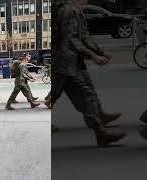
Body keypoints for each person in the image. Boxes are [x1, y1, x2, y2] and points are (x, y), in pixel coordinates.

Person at [52, 0, 126, 147]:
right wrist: (93, 56)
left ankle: (101, 129)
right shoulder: (69, 10)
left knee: (86, 95)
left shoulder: (72, 9)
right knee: (83, 95)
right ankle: (101, 132)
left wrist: (99, 51)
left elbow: (83, 36)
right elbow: (71, 39)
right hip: (64, 63)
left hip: (68, 62)